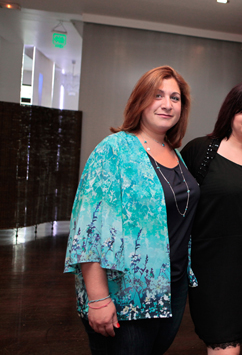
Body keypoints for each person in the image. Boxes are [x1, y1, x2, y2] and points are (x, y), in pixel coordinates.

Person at [64, 66, 200, 354]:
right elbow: (88, 231)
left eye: (175, 98)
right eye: (157, 95)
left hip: (171, 289)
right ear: (140, 100)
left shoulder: (175, 154)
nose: (167, 104)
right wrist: (98, 299)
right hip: (124, 296)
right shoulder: (113, 150)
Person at [181, 80, 242, 355]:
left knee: (236, 337)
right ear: (230, 112)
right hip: (213, 269)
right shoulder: (201, 151)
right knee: (225, 344)